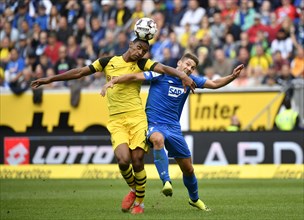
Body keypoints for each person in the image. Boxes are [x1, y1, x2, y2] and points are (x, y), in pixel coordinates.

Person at [31, 37, 196, 215]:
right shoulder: (107, 61)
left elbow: (164, 68)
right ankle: (135, 190)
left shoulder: (142, 63)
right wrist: (49, 79)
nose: (140, 52)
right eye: (139, 47)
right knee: (123, 160)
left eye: (144, 51)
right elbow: (79, 72)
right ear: (130, 44)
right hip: (117, 120)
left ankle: (140, 202)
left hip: (137, 118)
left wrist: (182, 75)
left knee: (137, 160)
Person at [101, 53, 244, 211]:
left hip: (174, 128)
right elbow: (134, 77)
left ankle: (194, 199)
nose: (189, 69)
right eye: (187, 64)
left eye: (192, 67)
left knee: (188, 169)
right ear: (179, 63)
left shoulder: (191, 81)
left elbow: (215, 84)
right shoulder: (160, 74)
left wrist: (232, 76)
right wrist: (114, 80)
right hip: (154, 124)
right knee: (157, 139)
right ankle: (166, 181)